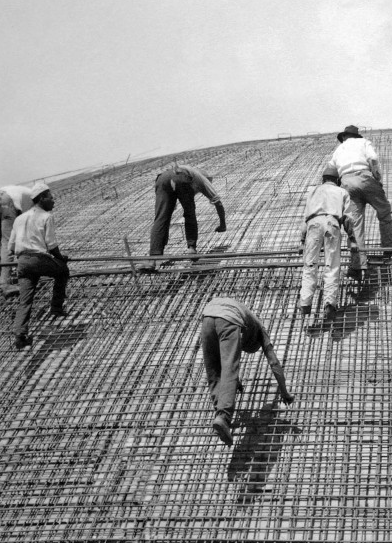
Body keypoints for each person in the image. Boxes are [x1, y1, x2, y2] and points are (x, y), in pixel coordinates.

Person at [200, 298, 294, 446]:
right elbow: (274, 363)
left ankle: (219, 415)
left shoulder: (247, 321)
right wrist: (285, 392)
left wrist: (235, 384)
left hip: (208, 316)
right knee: (230, 368)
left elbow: (222, 360)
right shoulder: (260, 329)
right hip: (229, 319)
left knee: (213, 370)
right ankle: (223, 417)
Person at [9, 182, 70, 350]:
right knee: (63, 271)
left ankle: (20, 334)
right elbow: (51, 245)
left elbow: (11, 247)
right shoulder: (46, 216)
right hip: (38, 259)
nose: (53, 200)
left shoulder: (19, 219)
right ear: (42, 198)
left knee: (25, 300)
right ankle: (56, 308)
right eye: (50, 197)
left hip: (22, 262)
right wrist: (61, 258)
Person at [299, 163, 361, 320]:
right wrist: (352, 239)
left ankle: (305, 302)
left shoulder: (312, 191)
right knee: (332, 265)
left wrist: (302, 241)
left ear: (323, 179)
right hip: (332, 223)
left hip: (313, 224)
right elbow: (347, 219)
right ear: (337, 180)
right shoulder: (341, 192)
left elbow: (306, 218)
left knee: (310, 264)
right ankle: (329, 304)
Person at [330, 125, 392, 266]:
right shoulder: (363, 142)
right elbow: (373, 158)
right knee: (384, 211)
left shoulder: (338, 149)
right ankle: (388, 249)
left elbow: (331, 171)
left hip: (346, 182)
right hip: (364, 178)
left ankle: (358, 263)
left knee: (355, 223)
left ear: (344, 137)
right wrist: (377, 178)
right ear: (356, 136)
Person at [147, 163, 226, 265]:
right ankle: (192, 249)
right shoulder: (203, 179)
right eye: (199, 190)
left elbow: (169, 207)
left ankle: (153, 259)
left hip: (162, 178)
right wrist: (223, 224)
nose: (198, 192)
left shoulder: (190, 173)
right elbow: (218, 203)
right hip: (180, 177)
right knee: (190, 213)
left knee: (161, 218)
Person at [0, 184, 34, 296]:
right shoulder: (35, 202)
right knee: (8, 241)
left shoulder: (28, 193)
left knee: (0, 236)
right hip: (6, 202)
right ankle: (5, 283)